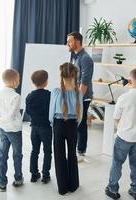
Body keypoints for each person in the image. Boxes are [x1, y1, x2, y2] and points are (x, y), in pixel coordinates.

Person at [105, 69, 136, 200]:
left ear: (129, 81)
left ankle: (113, 189)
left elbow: (116, 118)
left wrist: (121, 126)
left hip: (124, 137)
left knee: (117, 163)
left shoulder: (124, 98)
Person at [49, 62, 83, 195]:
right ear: (75, 76)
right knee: (72, 154)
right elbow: (80, 115)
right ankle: (73, 185)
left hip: (58, 124)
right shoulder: (78, 92)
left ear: (61, 76)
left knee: (59, 155)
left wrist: (54, 125)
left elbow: (51, 114)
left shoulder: (56, 92)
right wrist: (75, 124)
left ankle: (62, 188)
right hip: (73, 124)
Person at [0, 69, 24, 192]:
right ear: (15, 81)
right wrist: (1, 122)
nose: (18, 82)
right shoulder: (16, 96)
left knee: (2, 155)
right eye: (18, 80)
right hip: (14, 130)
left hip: (3, 129)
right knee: (17, 155)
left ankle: (2, 183)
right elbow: (12, 115)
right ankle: (18, 178)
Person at [67, 32, 94, 161]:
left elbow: (85, 82)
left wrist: (77, 99)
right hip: (74, 94)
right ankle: (76, 148)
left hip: (83, 96)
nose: (68, 43)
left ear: (78, 41)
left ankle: (81, 150)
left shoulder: (86, 59)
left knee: (81, 123)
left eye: (70, 41)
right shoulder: (73, 56)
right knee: (75, 122)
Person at [26, 70, 52, 184]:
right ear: (46, 82)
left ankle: (34, 174)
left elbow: (28, 112)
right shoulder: (49, 95)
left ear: (33, 82)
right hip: (46, 128)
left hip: (34, 128)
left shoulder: (29, 96)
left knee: (34, 151)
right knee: (47, 152)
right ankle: (45, 175)